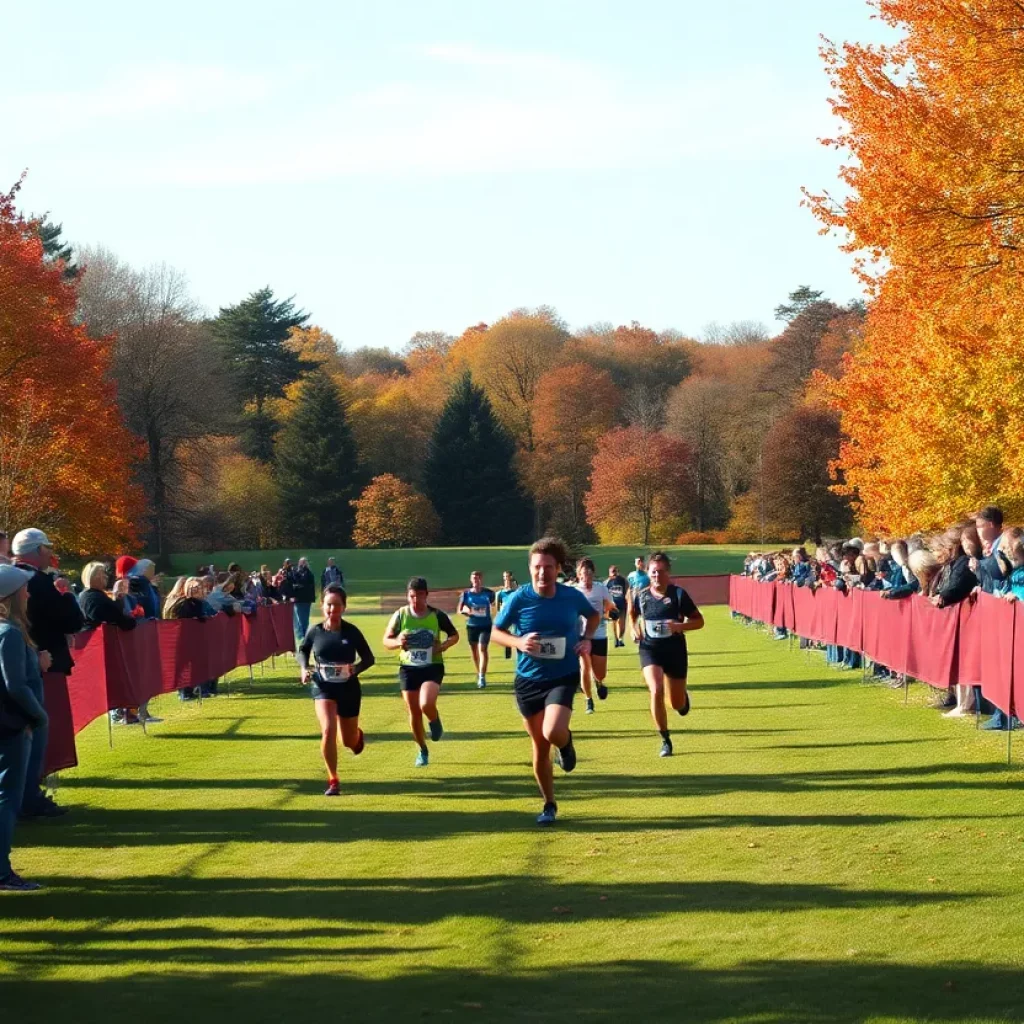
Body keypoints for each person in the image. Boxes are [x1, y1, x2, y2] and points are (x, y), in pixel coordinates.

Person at [492, 537, 600, 826]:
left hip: (562, 676)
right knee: (539, 746)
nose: (542, 573)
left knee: (553, 731)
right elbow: (495, 631)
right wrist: (518, 641)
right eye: (537, 567)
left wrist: (587, 639)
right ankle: (549, 804)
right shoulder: (518, 598)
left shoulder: (571, 596)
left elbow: (593, 615)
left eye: (548, 567)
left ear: (558, 569)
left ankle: (566, 745)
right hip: (527, 681)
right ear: (529, 568)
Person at [11, 528, 81, 819]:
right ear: (36, 550)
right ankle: (29, 797)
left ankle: (27, 795)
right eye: (45, 549)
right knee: (36, 730)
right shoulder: (36, 581)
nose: (49, 554)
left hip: (30, 659)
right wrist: (66, 595)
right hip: (37, 663)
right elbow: (72, 620)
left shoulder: (20, 576)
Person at [297, 585, 374, 796]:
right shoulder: (316, 631)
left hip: (348, 688)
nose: (333, 609)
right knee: (329, 729)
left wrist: (355, 669)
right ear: (322, 606)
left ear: (344, 607)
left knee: (348, 740)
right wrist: (304, 669)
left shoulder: (351, 631)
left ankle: (356, 737)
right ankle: (333, 780)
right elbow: (303, 650)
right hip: (323, 686)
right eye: (329, 605)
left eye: (337, 605)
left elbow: (369, 658)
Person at [0, 564, 48, 891]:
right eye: (24, 589)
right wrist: (39, 715)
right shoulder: (10, 634)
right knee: (7, 798)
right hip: (12, 726)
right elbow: (15, 685)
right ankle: (2, 872)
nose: (28, 594)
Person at [629, 551, 704, 758]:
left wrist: (679, 626)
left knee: (677, 703)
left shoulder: (679, 595)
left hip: (675, 651)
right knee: (656, 690)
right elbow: (633, 615)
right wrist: (634, 629)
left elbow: (699, 621)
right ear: (647, 572)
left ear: (668, 573)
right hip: (650, 649)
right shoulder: (642, 595)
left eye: (661, 572)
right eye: (653, 572)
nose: (656, 576)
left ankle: (682, 700)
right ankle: (665, 739)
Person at [382, 578, 459, 766]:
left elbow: (454, 635)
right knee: (414, 712)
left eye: (419, 596)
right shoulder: (400, 615)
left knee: (426, 703)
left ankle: (434, 720)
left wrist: (442, 646)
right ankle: (422, 750)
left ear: (426, 595)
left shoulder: (436, 615)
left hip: (432, 666)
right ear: (408, 596)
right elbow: (386, 640)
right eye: (411, 596)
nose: (415, 600)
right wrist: (398, 642)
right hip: (408, 669)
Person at [573, 558, 617, 714]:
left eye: (589, 573)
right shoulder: (574, 591)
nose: (587, 577)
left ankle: (599, 682)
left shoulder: (601, 589)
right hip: (581, 636)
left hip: (599, 634)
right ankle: (588, 700)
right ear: (578, 574)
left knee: (600, 673)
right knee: (584, 667)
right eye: (584, 573)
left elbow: (610, 606)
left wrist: (612, 612)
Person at [458, 571, 495, 688]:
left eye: (478, 578)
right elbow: (460, 609)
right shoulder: (466, 594)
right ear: (471, 580)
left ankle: (482, 676)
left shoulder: (488, 593)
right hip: (472, 625)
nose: (476, 580)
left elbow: (496, 604)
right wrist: (466, 611)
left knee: (482, 649)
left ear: (481, 579)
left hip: (485, 625)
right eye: (474, 578)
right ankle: (479, 672)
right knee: (474, 651)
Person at [78, 562, 138, 631]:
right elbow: (111, 617)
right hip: (102, 638)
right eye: (103, 573)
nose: (106, 576)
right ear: (94, 576)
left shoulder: (92, 595)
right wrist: (128, 621)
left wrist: (117, 597)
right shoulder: (92, 597)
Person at [290, 557, 316, 648]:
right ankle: (302, 636)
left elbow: (305, 581)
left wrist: (304, 569)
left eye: (304, 562)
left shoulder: (308, 573)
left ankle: (304, 636)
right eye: (301, 562)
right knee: (300, 619)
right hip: (299, 599)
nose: (302, 564)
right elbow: (294, 581)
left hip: (306, 600)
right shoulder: (296, 573)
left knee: (304, 619)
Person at [496, 571, 518, 661]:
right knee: (506, 634)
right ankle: (508, 653)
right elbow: (497, 608)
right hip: (505, 616)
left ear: (511, 577)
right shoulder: (500, 593)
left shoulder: (516, 592)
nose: (506, 578)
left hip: (515, 616)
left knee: (516, 634)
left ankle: (517, 652)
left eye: (507, 576)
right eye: (504, 577)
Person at [605, 564, 629, 647]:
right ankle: (616, 640)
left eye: (615, 571)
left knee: (622, 624)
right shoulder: (607, 582)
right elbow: (604, 594)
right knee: (614, 622)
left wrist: (627, 599)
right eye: (612, 572)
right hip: (613, 606)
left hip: (622, 605)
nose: (614, 573)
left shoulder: (623, 580)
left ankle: (620, 638)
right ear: (609, 573)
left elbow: (628, 590)